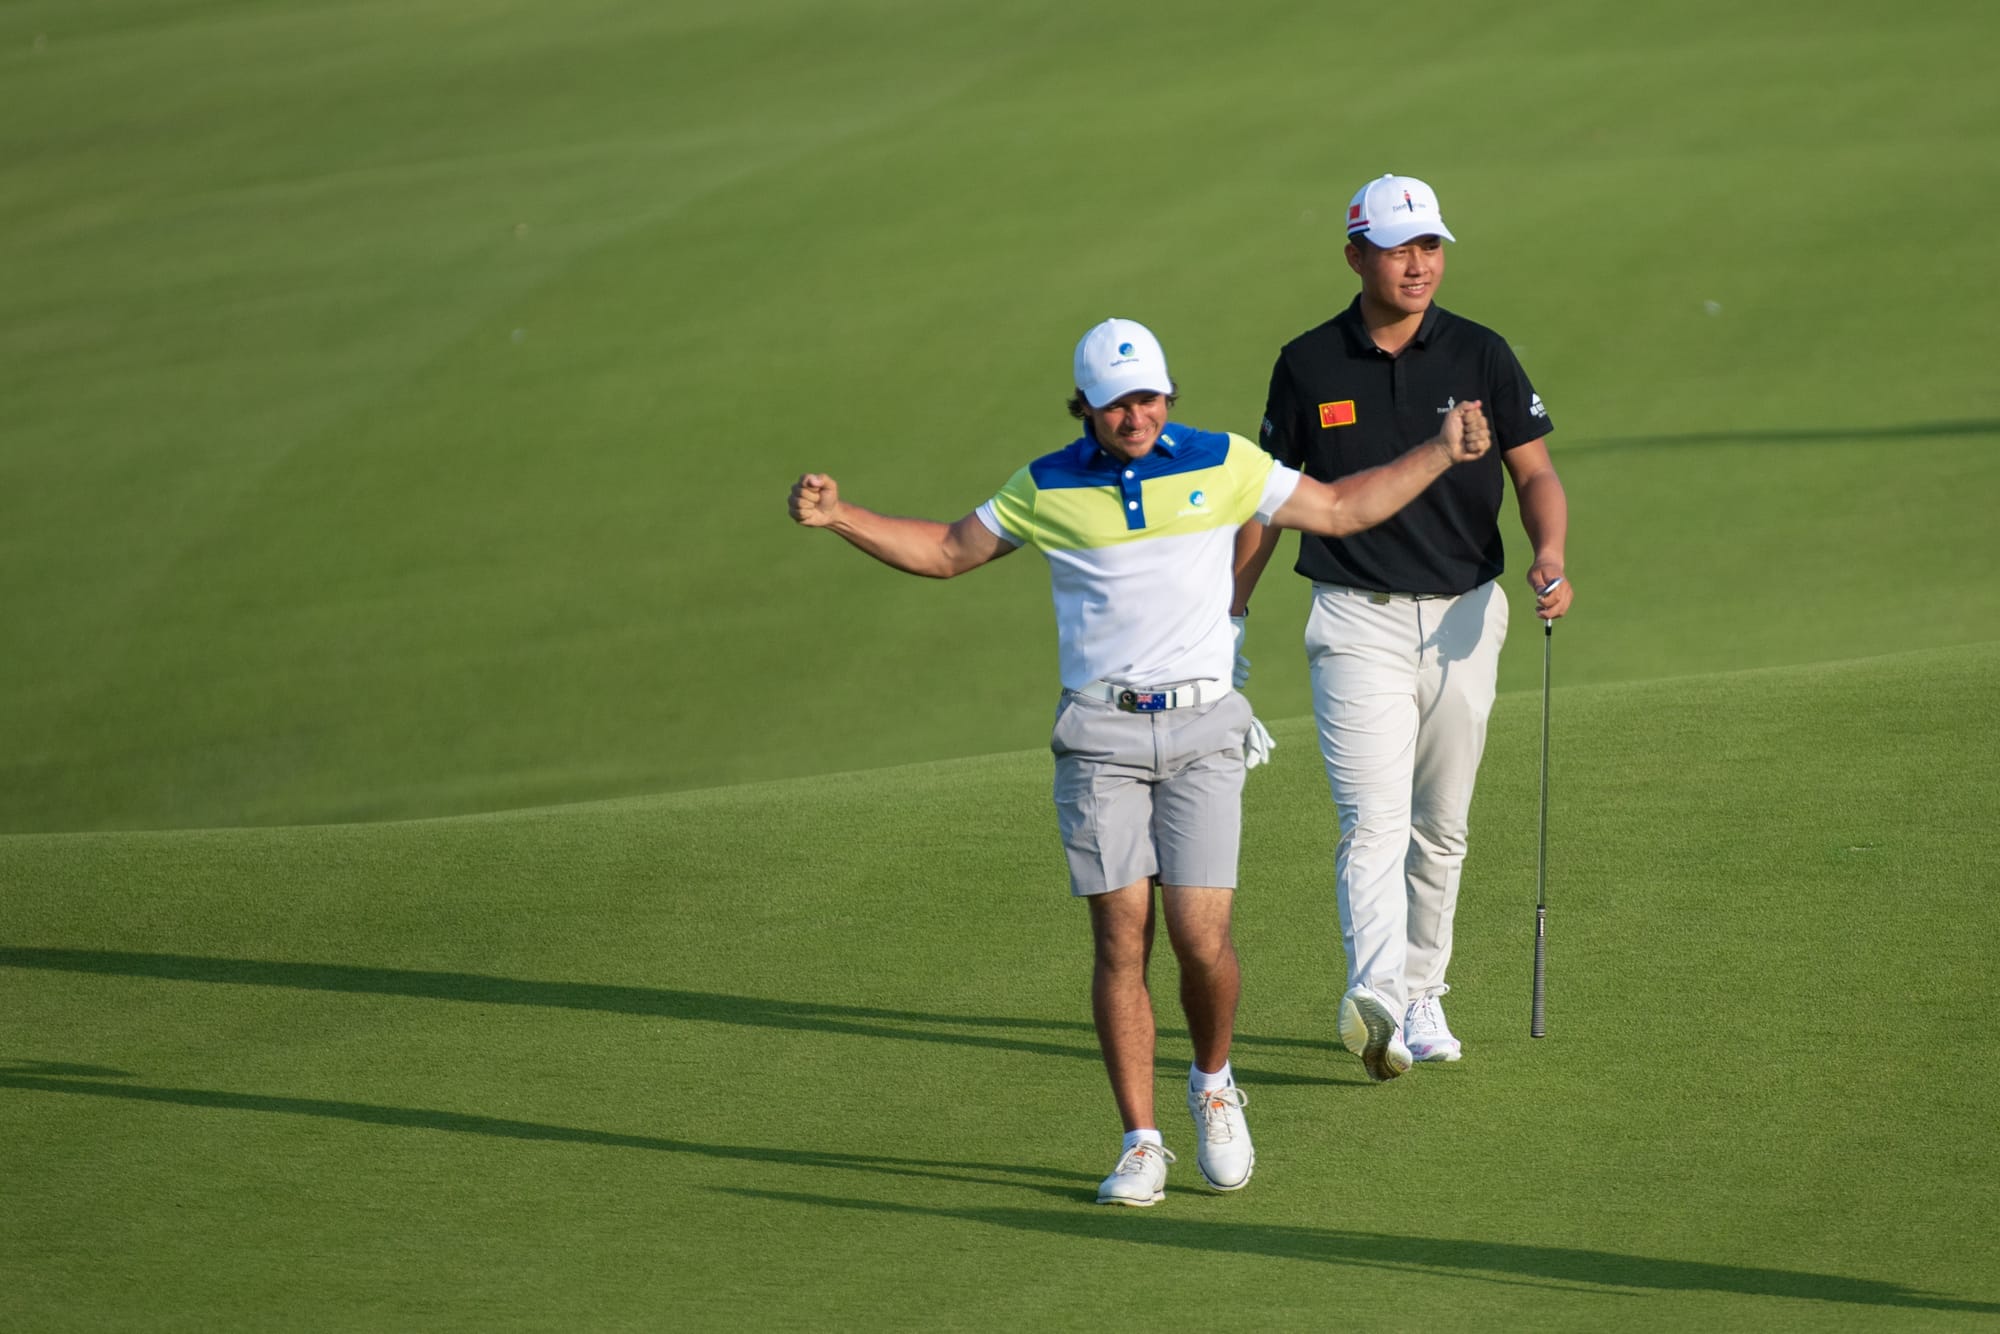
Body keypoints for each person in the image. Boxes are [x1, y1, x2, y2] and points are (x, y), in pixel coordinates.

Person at [789, 317, 1492, 1204]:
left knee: (1202, 941)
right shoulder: (1045, 485)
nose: (1137, 415)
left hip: (1202, 733)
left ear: (1170, 395)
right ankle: (1140, 1140)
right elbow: (943, 552)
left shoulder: (1224, 461)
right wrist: (840, 515)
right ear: (1084, 405)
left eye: (1151, 397)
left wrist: (1437, 449)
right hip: (1100, 737)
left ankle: (1212, 1084)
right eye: (1118, 402)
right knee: (1121, 939)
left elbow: (1343, 508)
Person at [1233, 173, 1574, 1082]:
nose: (1419, 264)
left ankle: (1423, 992)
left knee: (1443, 825)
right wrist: (1228, 610)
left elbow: (1534, 472)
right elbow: (1265, 502)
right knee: (1371, 820)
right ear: (1356, 256)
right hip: (1356, 621)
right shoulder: (1308, 363)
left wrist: (1550, 552)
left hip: (1468, 614)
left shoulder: (1482, 352)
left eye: (1430, 246)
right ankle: (1376, 995)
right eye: (1398, 247)